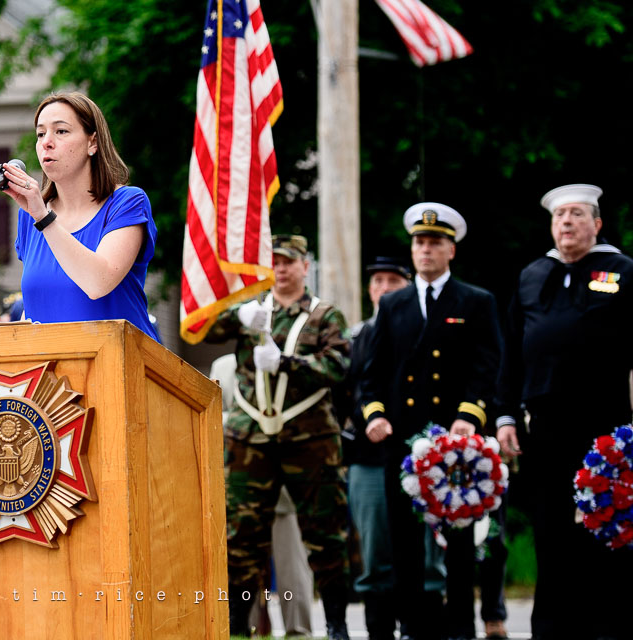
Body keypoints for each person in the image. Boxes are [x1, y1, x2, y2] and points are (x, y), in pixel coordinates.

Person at [495, 184, 633, 640]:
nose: (567, 222)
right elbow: (511, 351)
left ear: (597, 223)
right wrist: (505, 415)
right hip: (545, 427)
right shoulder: (533, 274)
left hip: (606, 427)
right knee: (550, 529)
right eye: (560, 216)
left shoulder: (622, 271)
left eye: (576, 214)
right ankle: (551, 630)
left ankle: (608, 627)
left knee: (605, 525)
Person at [359, 204, 502, 640]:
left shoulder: (475, 301)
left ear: (450, 250)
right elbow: (372, 372)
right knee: (403, 543)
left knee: (458, 544)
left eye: (435, 243)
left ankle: (460, 628)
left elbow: (487, 366)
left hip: (456, 446)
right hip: (401, 443)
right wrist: (375, 414)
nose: (425, 250)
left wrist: (469, 416)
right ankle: (412, 627)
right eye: (420, 242)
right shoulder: (393, 304)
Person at [204, 234, 352, 640]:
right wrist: (237, 316)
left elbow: (339, 366)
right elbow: (201, 328)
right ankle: (238, 626)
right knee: (241, 539)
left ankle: (337, 625)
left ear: (305, 266)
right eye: (275, 263)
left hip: (310, 440)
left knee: (325, 535)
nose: (281, 270)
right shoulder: (253, 311)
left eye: (289, 262)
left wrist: (287, 363)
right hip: (250, 441)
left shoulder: (325, 316)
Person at [1, 91, 160, 342]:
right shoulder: (30, 216)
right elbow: (36, 306)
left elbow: (98, 283)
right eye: (40, 134)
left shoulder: (127, 202)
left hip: (118, 360)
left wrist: (43, 217)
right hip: (50, 366)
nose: (46, 142)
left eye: (61, 131)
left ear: (92, 143)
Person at [342, 256, 412, 640]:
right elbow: (343, 393)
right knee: (374, 553)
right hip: (368, 458)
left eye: (392, 281)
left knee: (423, 555)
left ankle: (419, 626)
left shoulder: (421, 327)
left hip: (418, 456)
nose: (383, 288)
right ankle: (378, 631)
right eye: (377, 281)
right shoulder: (357, 336)